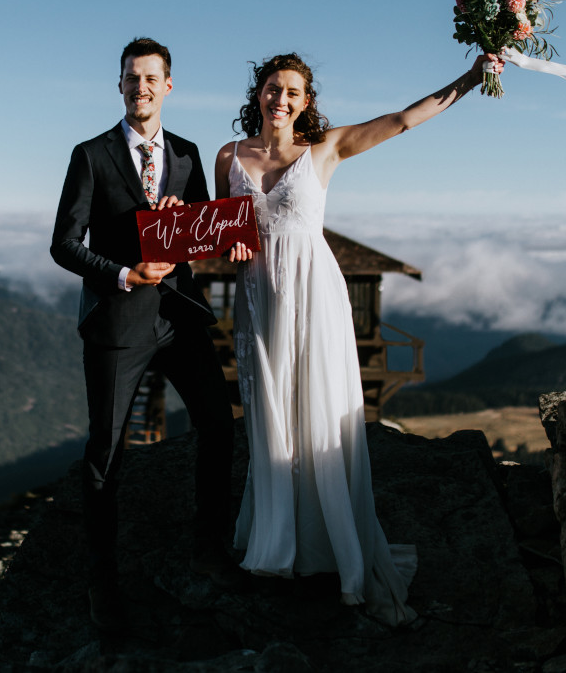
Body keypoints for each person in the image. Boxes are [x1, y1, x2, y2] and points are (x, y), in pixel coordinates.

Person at [214, 50, 503, 625]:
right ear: (260, 92)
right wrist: (223, 243)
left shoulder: (325, 149)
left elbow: (402, 119)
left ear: (305, 101)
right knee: (271, 413)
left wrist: (473, 78)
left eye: (293, 92)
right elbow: (216, 231)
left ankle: (332, 546)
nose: (282, 99)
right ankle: (277, 542)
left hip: (315, 293)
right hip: (258, 298)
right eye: (274, 88)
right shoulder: (228, 155)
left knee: (317, 413)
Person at [50, 37, 245, 633]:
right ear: (120, 86)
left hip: (178, 316)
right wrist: (122, 273)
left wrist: (224, 241)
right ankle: (101, 582)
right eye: (131, 78)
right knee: (106, 455)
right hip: (118, 322)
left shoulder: (186, 155)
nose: (141, 88)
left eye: (151, 79)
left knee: (217, 426)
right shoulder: (91, 155)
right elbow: (64, 245)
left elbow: (203, 232)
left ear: (168, 87)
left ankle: (208, 548)